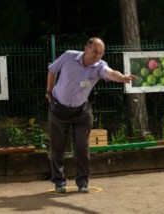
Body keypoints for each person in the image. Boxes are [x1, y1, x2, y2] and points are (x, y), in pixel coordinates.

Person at [45, 37, 138, 193]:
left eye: (101, 53)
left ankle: (82, 182)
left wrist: (121, 78)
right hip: (58, 110)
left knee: (82, 147)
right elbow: (52, 70)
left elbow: (110, 73)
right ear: (86, 48)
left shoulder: (99, 66)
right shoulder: (68, 56)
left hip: (81, 111)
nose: (97, 56)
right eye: (95, 52)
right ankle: (59, 182)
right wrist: (49, 91)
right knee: (57, 148)